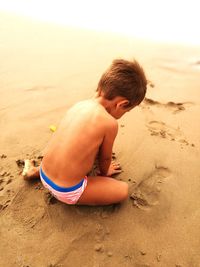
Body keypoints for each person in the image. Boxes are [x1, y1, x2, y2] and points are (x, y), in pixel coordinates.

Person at [23, 59, 147, 206]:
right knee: (122, 190)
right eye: (126, 111)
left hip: (44, 173)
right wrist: (105, 173)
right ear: (122, 104)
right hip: (67, 191)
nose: (124, 113)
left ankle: (32, 171)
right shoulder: (109, 123)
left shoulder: (79, 105)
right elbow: (105, 159)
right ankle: (75, 189)